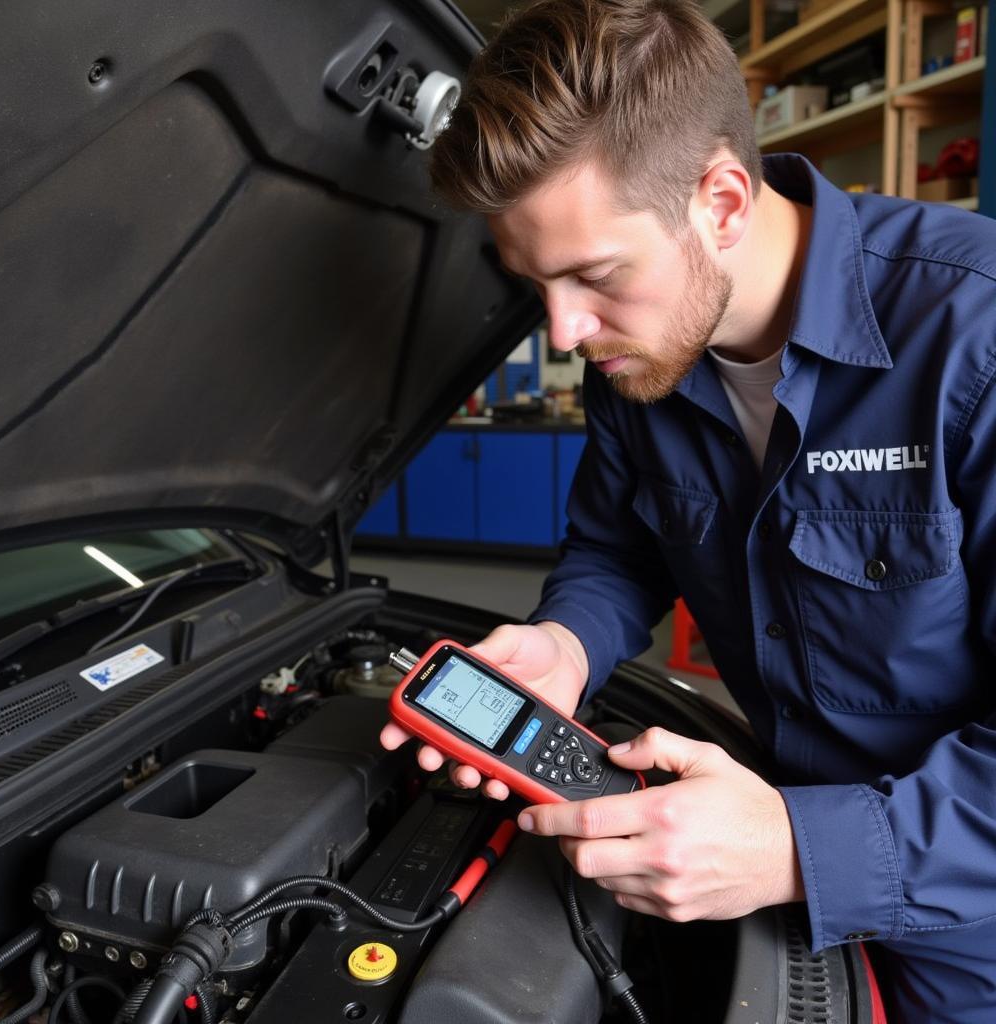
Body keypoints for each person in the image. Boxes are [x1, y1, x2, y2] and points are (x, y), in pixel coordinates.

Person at [380, 0, 996, 1018]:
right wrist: (567, 645)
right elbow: (617, 547)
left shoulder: (971, 338)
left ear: (718, 201)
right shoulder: (643, 361)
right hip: (752, 868)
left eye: (593, 276)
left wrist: (798, 849)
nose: (567, 329)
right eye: (535, 283)